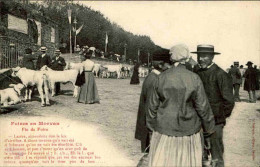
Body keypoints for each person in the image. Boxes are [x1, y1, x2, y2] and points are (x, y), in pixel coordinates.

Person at [147, 44, 215, 167]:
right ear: (187, 58)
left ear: (171, 58)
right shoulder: (194, 78)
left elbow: (152, 108)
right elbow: (203, 108)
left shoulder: (161, 78)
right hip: (189, 132)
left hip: (164, 131)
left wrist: (151, 129)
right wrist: (208, 131)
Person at [191, 44, 235, 167]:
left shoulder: (221, 74)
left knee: (216, 155)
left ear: (212, 57)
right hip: (197, 121)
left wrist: (218, 118)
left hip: (215, 122)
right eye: (199, 56)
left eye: (204, 56)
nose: (200, 59)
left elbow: (229, 102)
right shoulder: (196, 72)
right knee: (200, 154)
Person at [135, 61, 164, 154]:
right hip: (149, 127)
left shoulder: (152, 77)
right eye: (169, 64)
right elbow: (151, 106)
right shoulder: (155, 79)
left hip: (146, 123)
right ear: (160, 65)